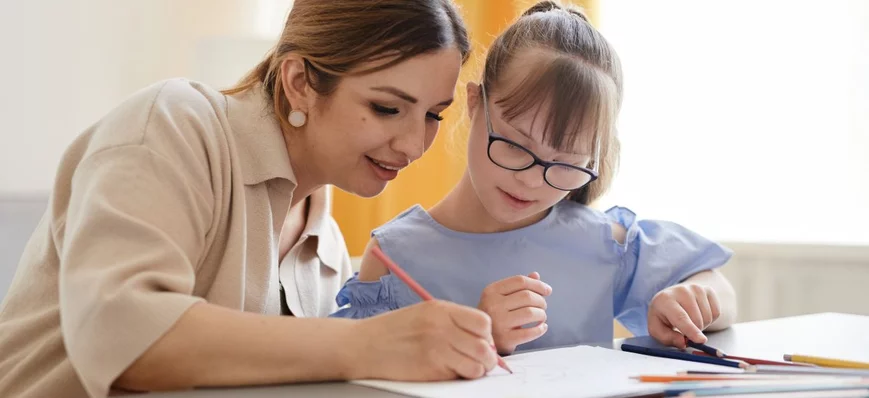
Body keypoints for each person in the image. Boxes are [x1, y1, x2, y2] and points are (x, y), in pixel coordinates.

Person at [0, 1, 502, 397]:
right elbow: (121, 335)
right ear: (300, 81)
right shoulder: (174, 126)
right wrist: (377, 343)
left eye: (434, 115)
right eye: (387, 107)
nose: (414, 146)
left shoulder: (324, 243)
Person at [331, 0, 738, 356]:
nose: (531, 181)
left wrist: (693, 299)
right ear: (475, 104)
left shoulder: (603, 243)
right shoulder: (395, 258)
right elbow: (359, 371)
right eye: (514, 145)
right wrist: (479, 336)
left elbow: (717, 286)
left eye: (565, 163)